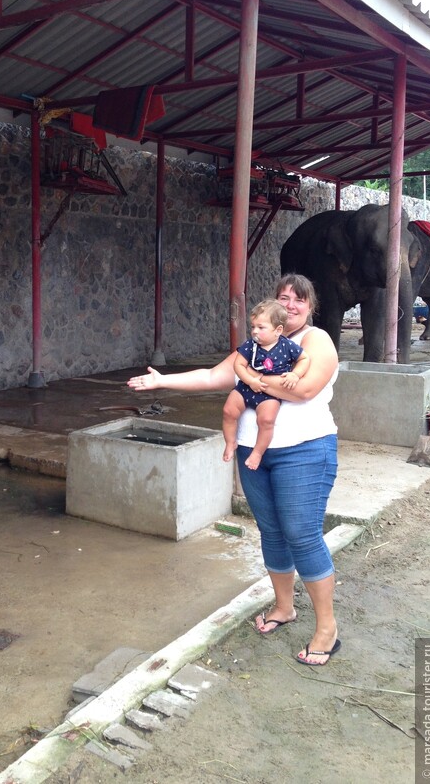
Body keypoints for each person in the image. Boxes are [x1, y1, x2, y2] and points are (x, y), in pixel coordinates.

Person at [127, 274, 341, 666]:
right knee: (272, 530)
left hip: (305, 451)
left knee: (302, 533)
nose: (290, 304)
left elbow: (305, 389)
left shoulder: (315, 341)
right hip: (254, 452)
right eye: (283, 297)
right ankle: (283, 607)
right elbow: (213, 376)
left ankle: (327, 628)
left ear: (310, 308)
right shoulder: (258, 344)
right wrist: (162, 382)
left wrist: (250, 380)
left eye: (299, 299)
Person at [223, 298, 310, 470]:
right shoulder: (250, 345)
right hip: (246, 387)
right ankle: (230, 441)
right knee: (228, 411)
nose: (255, 332)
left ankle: (257, 452)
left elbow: (304, 359)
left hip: (270, 393)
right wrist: (250, 380)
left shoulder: (287, 346)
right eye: (253, 327)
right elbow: (238, 365)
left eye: (261, 328)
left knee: (266, 420)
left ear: (278, 330)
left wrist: (295, 374)